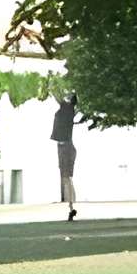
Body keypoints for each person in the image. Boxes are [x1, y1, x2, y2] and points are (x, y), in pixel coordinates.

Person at [53, 86, 80, 219]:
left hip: (65, 147)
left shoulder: (67, 108)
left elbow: (56, 95)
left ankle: (72, 206)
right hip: (65, 146)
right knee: (67, 178)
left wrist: (51, 82)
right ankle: (71, 206)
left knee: (66, 177)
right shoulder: (69, 110)